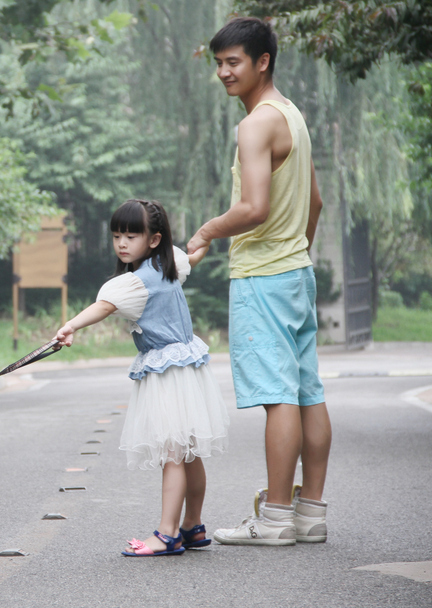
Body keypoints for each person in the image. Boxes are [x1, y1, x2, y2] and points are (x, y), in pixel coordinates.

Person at [187, 16, 332, 546]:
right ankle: (310, 513)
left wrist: (206, 231)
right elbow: (314, 201)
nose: (224, 73)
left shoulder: (254, 125)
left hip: (263, 276)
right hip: (296, 272)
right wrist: (298, 249)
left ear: (262, 62)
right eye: (219, 64)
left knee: (279, 397)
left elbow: (252, 207)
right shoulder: (292, 115)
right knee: (307, 391)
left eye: (233, 63)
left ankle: (273, 519)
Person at [55, 198, 229, 556]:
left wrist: (71, 325)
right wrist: (206, 240)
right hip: (189, 372)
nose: (121, 243)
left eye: (131, 235)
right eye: (117, 235)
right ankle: (192, 526)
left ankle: (167, 534)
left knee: (173, 455)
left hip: (167, 376)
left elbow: (102, 308)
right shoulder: (168, 265)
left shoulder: (137, 281)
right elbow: (191, 258)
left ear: (153, 239)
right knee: (189, 452)